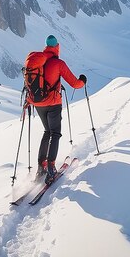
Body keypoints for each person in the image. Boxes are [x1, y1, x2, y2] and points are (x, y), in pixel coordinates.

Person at [29, 35, 86, 184]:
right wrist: (83, 81)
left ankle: (41, 167)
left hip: (38, 104)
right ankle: (51, 169)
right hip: (53, 104)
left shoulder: (38, 62)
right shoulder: (58, 63)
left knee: (47, 132)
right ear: (57, 47)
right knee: (55, 133)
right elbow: (75, 83)